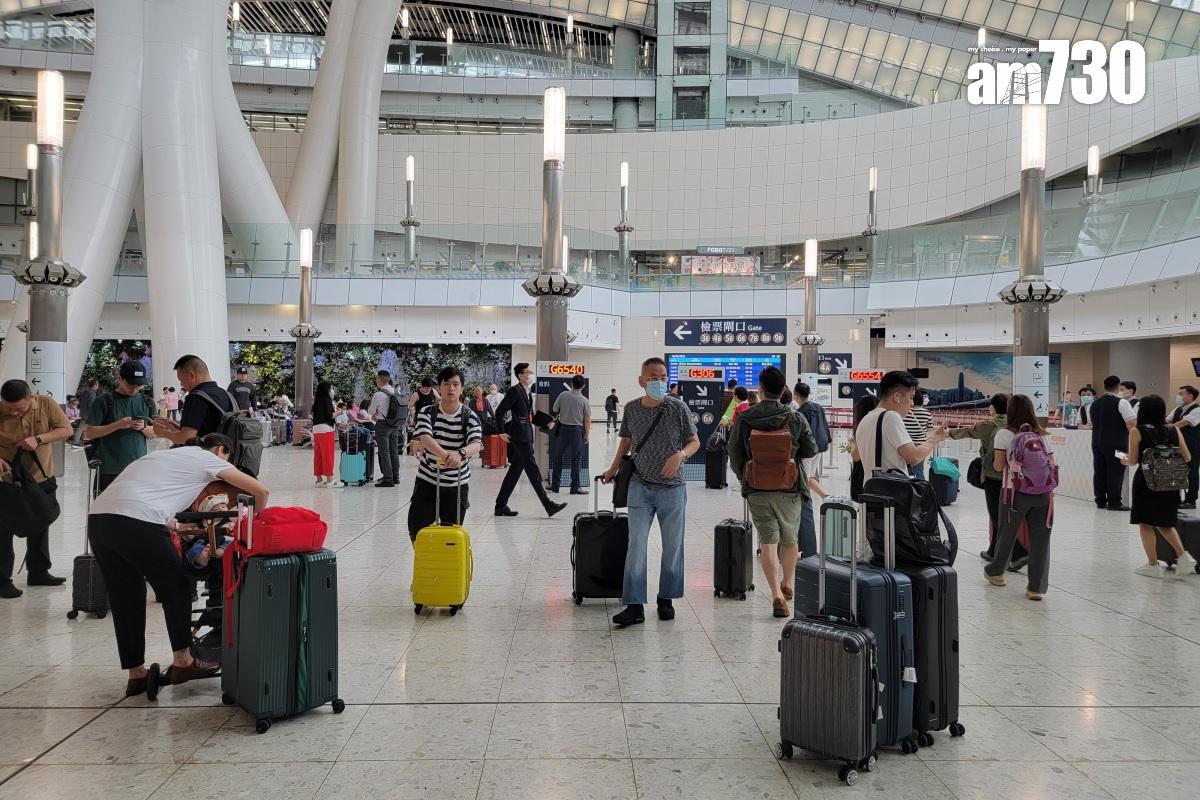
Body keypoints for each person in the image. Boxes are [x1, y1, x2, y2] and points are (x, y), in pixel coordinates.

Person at [88, 433, 270, 695]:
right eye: (226, 458)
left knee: (125, 597)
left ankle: (136, 674)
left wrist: (177, 526)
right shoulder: (207, 458)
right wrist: (251, 525)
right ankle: (184, 660)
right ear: (220, 450)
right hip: (138, 519)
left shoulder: (160, 456)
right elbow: (261, 491)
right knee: (177, 587)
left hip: (99, 520)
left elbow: (144, 495)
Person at [601, 357, 699, 628]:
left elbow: (694, 442)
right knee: (636, 543)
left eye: (663, 377)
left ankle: (666, 597)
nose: (659, 382)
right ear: (641, 381)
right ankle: (634, 605)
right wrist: (613, 468)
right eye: (654, 378)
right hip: (640, 485)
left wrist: (680, 455)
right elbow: (627, 441)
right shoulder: (632, 408)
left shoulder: (678, 407)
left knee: (673, 546)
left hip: (673, 488)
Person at [727, 366, 817, 618]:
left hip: (758, 487)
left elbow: (734, 453)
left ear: (761, 389)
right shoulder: (795, 418)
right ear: (783, 390)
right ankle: (787, 581)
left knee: (768, 541)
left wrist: (744, 477)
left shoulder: (745, 418)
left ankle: (776, 593)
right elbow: (811, 449)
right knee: (790, 539)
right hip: (790, 487)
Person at [0, 379, 73, 598]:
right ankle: (2, 579)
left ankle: (39, 571)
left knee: (40, 521)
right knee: (3, 528)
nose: (13, 413)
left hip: (40, 476)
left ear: (30, 398)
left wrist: (39, 438)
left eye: (19, 409)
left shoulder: (46, 403)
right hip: (6, 479)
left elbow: (66, 430)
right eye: (8, 408)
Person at [986, 394, 1056, 600]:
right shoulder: (1042, 435)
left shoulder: (1004, 434)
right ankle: (1036, 588)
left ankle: (996, 572)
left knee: (1006, 533)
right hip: (1043, 494)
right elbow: (1051, 464)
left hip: (1014, 492)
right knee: (1041, 540)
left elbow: (998, 466)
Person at [949, 393, 1028, 568]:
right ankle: (993, 551)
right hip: (1015, 479)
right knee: (1000, 516)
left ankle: (1020, 553)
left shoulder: (988, 426)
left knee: (997, 517)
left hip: (994, 477)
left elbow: (967, 432)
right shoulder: (1018, 426)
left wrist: (947, 433)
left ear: (992, 408)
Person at [407, 367, 483, 541]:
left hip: (457, 484)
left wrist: (460, 453)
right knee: (416, 530)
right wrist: (446, 456)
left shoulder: (470, 416)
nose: (451, 388)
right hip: (427, 480)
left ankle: (444, 559)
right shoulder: (427, 412)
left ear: (462, 389)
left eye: (456, 384)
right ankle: (425, 558)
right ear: (439, 388)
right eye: (446, 384)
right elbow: (425, 437)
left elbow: (476, 444)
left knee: (450, 536)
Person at [1125, 395, 1197, 578]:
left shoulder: (1137, 431)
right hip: (1171, 483)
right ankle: (1184, 557)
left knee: (1145, 523)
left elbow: (1132, 461)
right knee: (1165, 522)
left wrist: (1124, 460)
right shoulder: (1173, 429)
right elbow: (1187, 457)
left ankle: (1152, 565)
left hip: (1146, 483)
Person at [493, 363, 568, 518]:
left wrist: (547, 421)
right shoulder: (514, 391)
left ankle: (500, 505)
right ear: (520, 375)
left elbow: (530, 416)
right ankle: (548, 504)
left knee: (514, 473)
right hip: (520, 437)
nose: (531, 374)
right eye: (528, 372)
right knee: (533, 471)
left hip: (526, 434)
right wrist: (501, 432)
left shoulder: (525, 392)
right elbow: (499, 411)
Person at [855, 371, 949, 478]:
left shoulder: (866, 419)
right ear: (897, 397)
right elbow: (914, 457)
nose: (912, 403)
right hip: (891, 486)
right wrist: (936, 438)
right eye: (911, 397)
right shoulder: (890, 417)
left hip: (871, 485)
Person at [85, 361, 159, 492]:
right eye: (130, 385)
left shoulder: (148, 402)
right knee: (107, 505)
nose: (135, 389)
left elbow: (155, 433)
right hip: (109, 469)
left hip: (137, 467)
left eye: (139, 385)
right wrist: (118, 425)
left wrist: (143, 427)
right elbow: (89, 433)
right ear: (119, 379)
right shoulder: (104, 401)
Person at [152, 356, 235, 445]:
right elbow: (209, 427)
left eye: (181, 380)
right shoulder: (227, 394)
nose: (181, 384)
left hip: (206, 452)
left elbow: (186, 438)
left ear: (191, 375)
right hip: (227, 451)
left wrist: (162, 433)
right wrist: (176, 426)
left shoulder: (195, 398)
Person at [1090, 375, 1137, 511]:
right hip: (1118, 444)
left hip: (1097, 443)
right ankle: (1114, 502)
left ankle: (1100, 500)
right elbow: (1131, 423)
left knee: (1099, 470)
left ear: (1104, 387)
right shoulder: (1122, 402)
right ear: (1118, 386)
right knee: (1116, 471)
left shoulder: (1094, 403)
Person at [550, 374, 591, 495]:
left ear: (571, 384)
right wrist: (587, 434)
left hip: (563, 430)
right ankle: (575, 487)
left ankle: (555, 486)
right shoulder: (584, 400)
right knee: (576, 459)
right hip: (576, 431)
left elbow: (555, 409)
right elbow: (587, 419)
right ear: (583, 386)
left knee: (558, 458)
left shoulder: (563, 395)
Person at [367, 370, 404, 488]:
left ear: (381, 380)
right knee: (394, 451)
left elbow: (371, 411)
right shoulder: (395, 392)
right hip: (395, 425)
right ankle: (395, 477)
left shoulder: (378, 394)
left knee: (384, 452)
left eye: (377, 379)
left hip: (383, 424)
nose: (376, 381)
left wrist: (375, 413)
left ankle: (388, 478)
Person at [1171, 385, 1200, 510]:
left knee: (1192, 473)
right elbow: (1167, 420)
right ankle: (1176, 499)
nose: (1178, 396)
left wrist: (1166, 429)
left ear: (1190, 396)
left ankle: (1191, 500)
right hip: (1176, 446)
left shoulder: (1197, 410)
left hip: (1192, 447)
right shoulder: (1178, 409)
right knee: (1176, 472)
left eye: (1181, 394)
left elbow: (1182, 423)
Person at [311, 382, 342, 487]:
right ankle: (330, 480)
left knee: (318, 455)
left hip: (316, 429)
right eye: (330, 388)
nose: (332, 391)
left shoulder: (316, 401)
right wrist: (339, 412)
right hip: (326, 429)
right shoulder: (327, 401)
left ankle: (319, 480)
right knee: (328, 455)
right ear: (326, 390)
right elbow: (330, 416)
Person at [904, 390, 935, 479]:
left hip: (907, 445)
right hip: (921, 446)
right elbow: (930, 428)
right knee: (919, 470)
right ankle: (920, 487)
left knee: (905, 470)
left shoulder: (905, 412)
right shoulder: (927, 413)